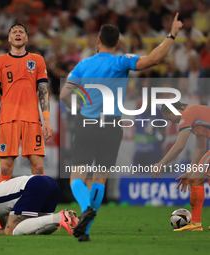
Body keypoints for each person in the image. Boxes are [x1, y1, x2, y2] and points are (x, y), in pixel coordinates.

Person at [59, 14, 183, 241]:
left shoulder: (83, 64)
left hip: (87, 122)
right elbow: (154, 59)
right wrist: (171, 34)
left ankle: (85, 208)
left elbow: (65, 94)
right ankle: (85, 230)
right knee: (100, 178)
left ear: (98, 40)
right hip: (112, 126)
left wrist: (75, 110)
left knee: (77, 175)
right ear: (117, 43)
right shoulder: (120, 61)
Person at [0, 23, 52, 183]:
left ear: (26, 37)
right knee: (6, 167)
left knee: (38, 167)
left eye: (21, 31)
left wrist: (47, 119)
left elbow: (43, 91)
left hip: (32, 119)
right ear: (9, 38)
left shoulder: (37, 60)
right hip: (8, 119)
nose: (18, 33)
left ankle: (40, 205)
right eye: (14, 32)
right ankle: (2, 204)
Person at [152, 102, 210, 231]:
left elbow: (179, 146)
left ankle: (195, 224)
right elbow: (201, 148)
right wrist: (189, 173)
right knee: (197, 178)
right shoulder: (196, 114)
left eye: (169, 118)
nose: (171, 122)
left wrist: (160, 164)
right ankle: (195, 224)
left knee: (197, 180)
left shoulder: (187, 113)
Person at [0, 175, 78, 235]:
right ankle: (68, 217)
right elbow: (6, 228)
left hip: (34, 185)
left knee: (11, 231)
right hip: (50, 183)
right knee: (35, 230)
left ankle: (59, 216)